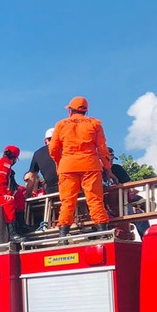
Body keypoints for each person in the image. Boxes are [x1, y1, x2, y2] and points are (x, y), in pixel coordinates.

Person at [49, 96, 112, 237]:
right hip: (90, 165)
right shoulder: (95, 124)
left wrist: (61, 162)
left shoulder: (61, 125)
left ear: (70, 111)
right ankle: (102, 231)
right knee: (95, 199)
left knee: (67, 202)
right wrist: (108, 167)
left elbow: (53, 148)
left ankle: (63, 236)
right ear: (85, 111)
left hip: (67, 166)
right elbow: (102, 149)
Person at [26, 128, 60, 196]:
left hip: (52, 191)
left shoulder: (38, 153)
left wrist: (28, 196)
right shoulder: (68, 149)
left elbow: (32, 177)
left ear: (45, 141)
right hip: (70, 187)